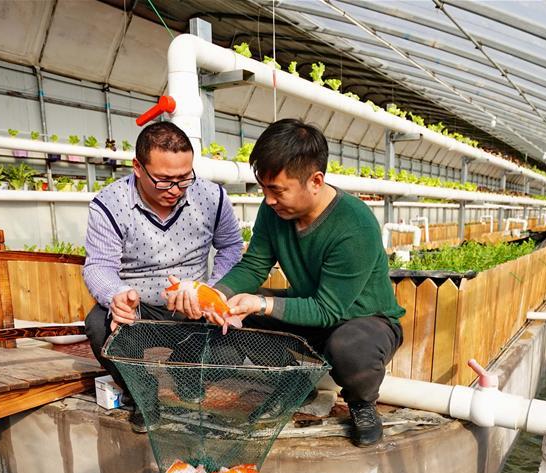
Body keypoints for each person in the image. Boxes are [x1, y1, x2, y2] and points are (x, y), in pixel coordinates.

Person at [170, 118, 404, 447]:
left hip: (363, 321)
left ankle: (362, 402)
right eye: (264, 189)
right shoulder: (275, 212)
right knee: (242, 314)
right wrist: (213, 295)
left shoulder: (355, 224)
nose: (268, 200)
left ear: (315, 181)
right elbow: (253, 266)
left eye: (277, 190)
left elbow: (328, 310)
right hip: (308, 311)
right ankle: (296, 382)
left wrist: (263, 303)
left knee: (348, 346)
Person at [82, 121, 243, 428]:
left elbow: (232, 247)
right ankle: (142, 393)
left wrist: (213, 291)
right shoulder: (110, 204)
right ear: (138, 168)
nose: (176, 190)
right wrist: (116, 295)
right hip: (140, 307)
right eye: (164, 180)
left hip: (194, 307)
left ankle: (186, 370)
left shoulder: (213, 197)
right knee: (98, 326)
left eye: (184, 178)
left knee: (232, 345)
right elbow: (99, 264)